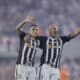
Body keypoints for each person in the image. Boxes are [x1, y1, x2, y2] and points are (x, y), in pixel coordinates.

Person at [15, 16, 40, 80]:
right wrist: (24, 21)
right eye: (33, 29)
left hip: (31, 67)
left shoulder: (38, 41)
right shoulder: (25, 36)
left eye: (36, 29)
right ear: (29, 31)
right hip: (22, 65)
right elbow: (17, 28)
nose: (35, 31)